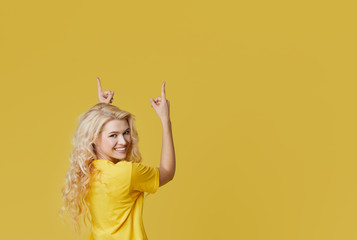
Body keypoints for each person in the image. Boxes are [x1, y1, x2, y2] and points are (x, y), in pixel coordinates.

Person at [59, 77, 176, 240]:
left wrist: (103, 108)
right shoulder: (127, 173)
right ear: (94, 137)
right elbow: (168, 171)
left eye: (126, 132)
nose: (124, 141)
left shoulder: (86, 172)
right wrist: (165, 120)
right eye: (114, 135)